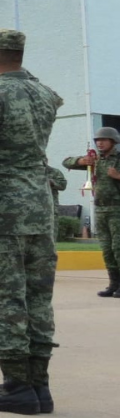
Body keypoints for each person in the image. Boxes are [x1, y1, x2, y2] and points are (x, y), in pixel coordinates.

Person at [0, 29, 63, 415]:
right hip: (40, 209)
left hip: (1, 213)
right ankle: (40, 386)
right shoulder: (43, 94)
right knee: (37, 299)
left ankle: (17, 385)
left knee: (2, 299)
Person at [64, 127, 120, 297]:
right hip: (101, 209)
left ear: (113, 141)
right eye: (97, 140)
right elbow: (66, 161)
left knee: (118, 248)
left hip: (117, 209)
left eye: (104, 140)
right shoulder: (96, 160)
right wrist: (81, 161)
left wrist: (118, 176)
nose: (100, 143)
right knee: (106, 249)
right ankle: (113, 284)